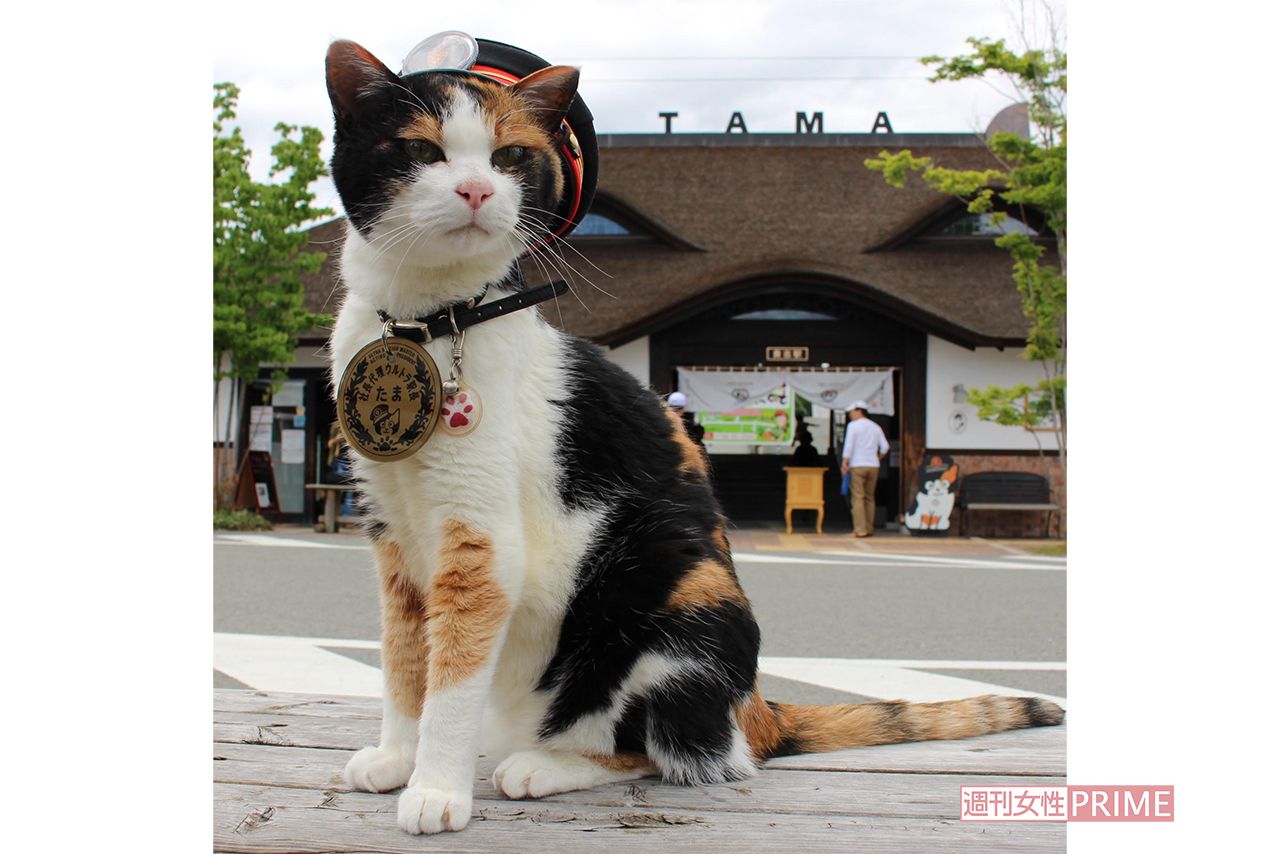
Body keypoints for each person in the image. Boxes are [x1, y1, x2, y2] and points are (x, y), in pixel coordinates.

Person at [840, 400, 889, 538]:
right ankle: (869, 528)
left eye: (851, 412)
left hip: (857, 464)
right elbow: (885, 447)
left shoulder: (853, 426)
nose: (850, 415)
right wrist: (878, 458)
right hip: (873, 465)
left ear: (858, 411)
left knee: (857, 497)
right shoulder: (875, 427)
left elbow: (849, 446)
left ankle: (860, 529)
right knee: (869, 497)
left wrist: (845, 462)